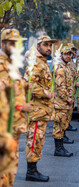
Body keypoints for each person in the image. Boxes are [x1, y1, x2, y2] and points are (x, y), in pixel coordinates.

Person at [0, 29, 32, 186]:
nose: (14, 47)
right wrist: (21, 106)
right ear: (3, 44)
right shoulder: (1, 65)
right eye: (11, 43)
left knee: (10, 173)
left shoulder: (12, 64)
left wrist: (26, 85)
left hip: (15, 127)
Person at [24, 35, 57, 182]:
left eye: (50, 45)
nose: (49, 48)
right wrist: (46, 93)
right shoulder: (35, 63)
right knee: (34, 139)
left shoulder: (43, 62)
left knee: (39, 140)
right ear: (38, 47)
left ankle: (33, 169)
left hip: (42, 110)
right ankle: (31, 171)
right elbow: (29, 85)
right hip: (36, 110)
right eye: (45, 45)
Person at [53, 46, 76, 157]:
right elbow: (60, 87)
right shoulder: (60, 68)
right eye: (65, 54)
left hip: (66, 103)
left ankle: (61, 147)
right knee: (58, 126)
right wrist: (68, 98)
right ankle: (58, 149)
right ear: (61, 55)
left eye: (69, 54)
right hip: (61, 103)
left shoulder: (67, 67)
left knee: (63, 126)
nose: (68, 56)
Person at [65, 43, 78, 132]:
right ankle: (65, 129)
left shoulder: (72, 61)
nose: (74, 52)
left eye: (74, 50)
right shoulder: (66, 62)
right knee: (64, 113)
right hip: (66, 91)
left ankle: (68, 125)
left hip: (72, 89)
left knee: (69, 111)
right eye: (73, 50)